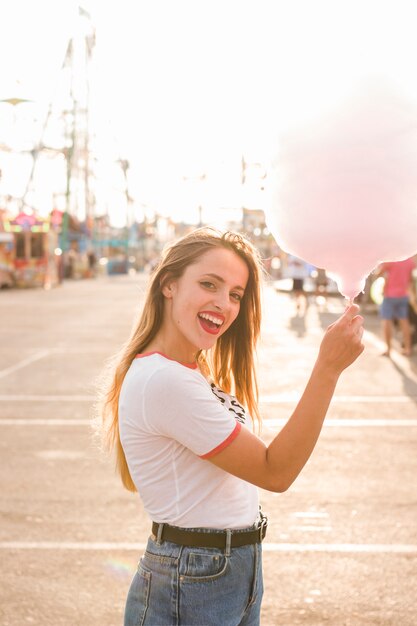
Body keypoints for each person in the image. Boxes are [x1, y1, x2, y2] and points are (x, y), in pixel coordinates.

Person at [99, 227, 364, 626]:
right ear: (169, 284)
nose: (223, 304)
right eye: (209, 284)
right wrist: (327, 369)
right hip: (194, 577)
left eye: (236, 294)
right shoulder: (164, 380)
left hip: (225, 570)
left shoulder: (188, 371)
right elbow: (276, 471)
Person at [375, 257, 416, 357]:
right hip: (403, 296)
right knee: (404, 321)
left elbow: (378, 274)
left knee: (386, 321)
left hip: (389, 295)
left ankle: (388, 349)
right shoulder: (409, 261)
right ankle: (407, 349)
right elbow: (410, 280)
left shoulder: (391, 260)